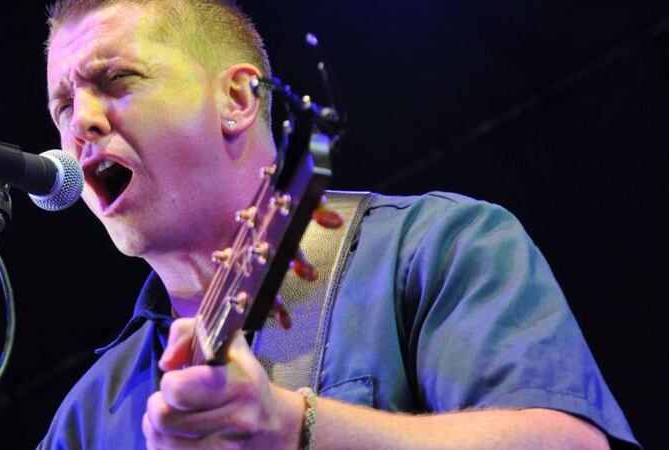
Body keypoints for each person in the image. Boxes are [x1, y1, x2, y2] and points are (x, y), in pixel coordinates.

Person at [39, 0, 640, 448]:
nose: (80, 124)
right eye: (63, 106)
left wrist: (295, 427)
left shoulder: (435, 246)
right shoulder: (86, 417)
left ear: (238, 100)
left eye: (116, 81)